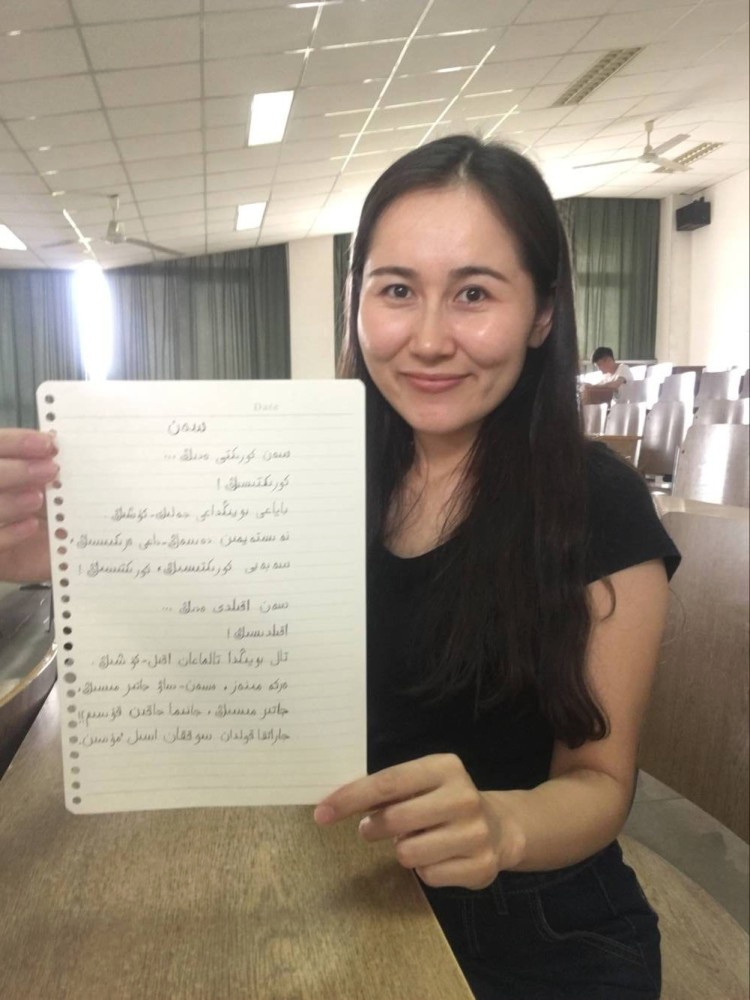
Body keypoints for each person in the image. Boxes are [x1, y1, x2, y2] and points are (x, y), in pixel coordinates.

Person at [0, 135, 679, 1000]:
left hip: (537, 917)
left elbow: (600, 783)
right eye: (396, 290)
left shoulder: (597, 503)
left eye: (473, 293)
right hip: (341, 876)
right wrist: (57, 545)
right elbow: (196, 613)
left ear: (543, 313)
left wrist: (500, 823)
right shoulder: (300, 465)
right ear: (356, 302)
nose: (427, 339)